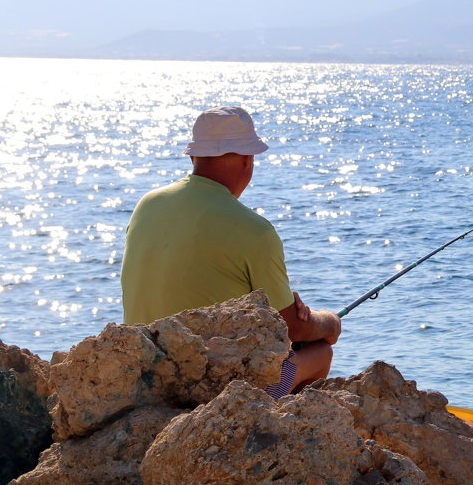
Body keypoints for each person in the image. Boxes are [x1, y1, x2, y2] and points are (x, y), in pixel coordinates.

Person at [121, 105, 341, 397]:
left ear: (193, 156)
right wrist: (329, 321)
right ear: (248, 161)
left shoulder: (147, 205)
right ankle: (279, 432)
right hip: (213, 392)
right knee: (319, 351)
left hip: (144, 376)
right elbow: (294, 330)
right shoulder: (256, 231)